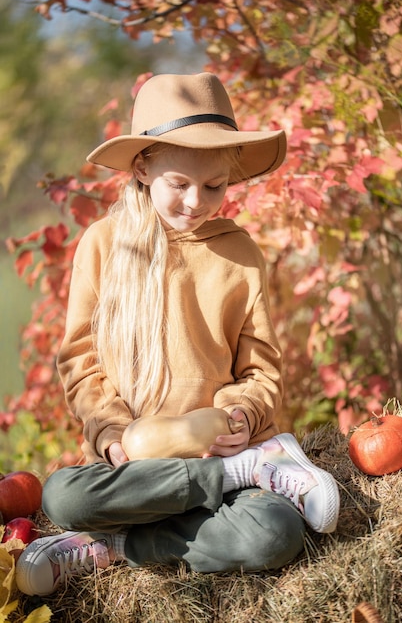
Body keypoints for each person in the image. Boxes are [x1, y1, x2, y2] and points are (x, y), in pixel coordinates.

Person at [16, 72, 340, 597]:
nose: (197, 202)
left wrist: (242, 416)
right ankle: (118, 540)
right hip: (140, 477)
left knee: (274, 535)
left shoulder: (239, 253)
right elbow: (80, 360)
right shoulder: (103, 245)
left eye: (215, 186)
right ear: (143, 168)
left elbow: (262, 368)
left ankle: (235, 479)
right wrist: (112, 433)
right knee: (63, 498)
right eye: (180, 185)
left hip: (226, 455)